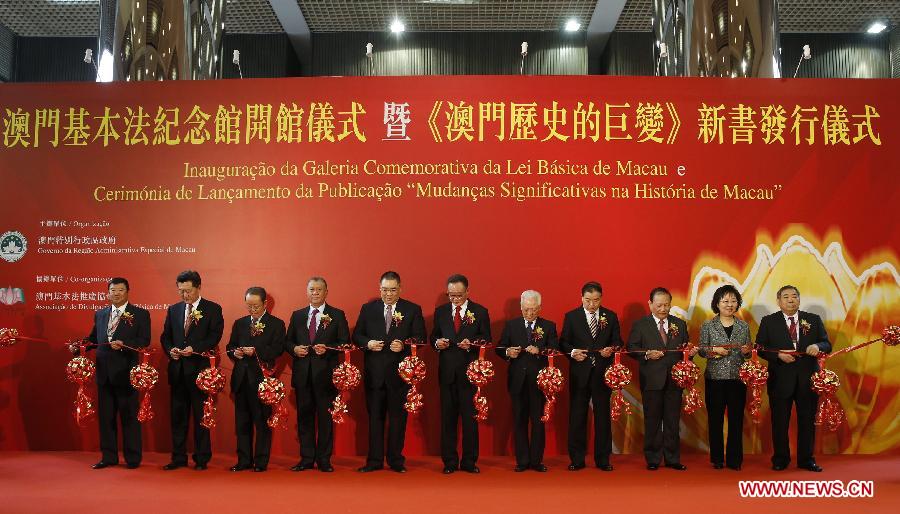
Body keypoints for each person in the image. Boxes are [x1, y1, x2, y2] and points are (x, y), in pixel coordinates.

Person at [70, 277, 150, 469]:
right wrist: (78, 347)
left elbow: (145, 340)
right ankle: (108, 457)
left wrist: (125, 345)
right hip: (104, 374)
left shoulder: (140, 313)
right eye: (112, 290)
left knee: (129, 417)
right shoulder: (101, 314)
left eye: (120, 290)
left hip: (126, 374)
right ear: (108, 292)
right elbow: (93, 339)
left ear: (127, 292)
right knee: (106, 418)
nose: (116, 293)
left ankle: (132, 459)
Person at [353, 271, 426, 473]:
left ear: (400, 289)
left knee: (398, 419)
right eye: (385, 289)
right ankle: (374, 461)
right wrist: (368, 343)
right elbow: (356, 335)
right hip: (374, 375)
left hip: (400, 376)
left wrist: (403, 344)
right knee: (374, 419)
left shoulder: (412, 309)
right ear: (379, 288)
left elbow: (421, 337)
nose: (389, 294)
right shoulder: (368, 309)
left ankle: (396, 460)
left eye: (393, 290)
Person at [757, 285, 831, 472]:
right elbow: (760, 348)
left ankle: (807, 459)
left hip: (808, 379)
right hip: (780, 378)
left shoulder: (813, 320)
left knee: (807, 421)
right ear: (779, 301)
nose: (791, 300)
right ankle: (780, 459)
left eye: (794, 296)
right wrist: (778, 356)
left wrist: (818, 345)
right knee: (779, 422)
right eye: (786, 297)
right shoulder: (768, 321)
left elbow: (827, 344)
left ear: (799, 299)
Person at [160, 270, 224, 471]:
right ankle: (178, 458)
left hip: (199, 373)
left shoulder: (213, 309)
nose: (184, 295)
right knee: (178, 417)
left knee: (200, 416)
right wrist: (171, 351)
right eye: (181, 291)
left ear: (198, 287)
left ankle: (202, 458)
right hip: (177, 371)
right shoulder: (174, 310)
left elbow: (215, 336)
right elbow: (165, 337)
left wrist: (194, 349)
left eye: (188, 291)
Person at [285, 276, 350, 472]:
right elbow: (288, 342)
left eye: (319, 290)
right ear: (307, 292)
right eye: (312, 289)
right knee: (304, 418)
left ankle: (324, 460)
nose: (315, 293)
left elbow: (345, 343)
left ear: (326, 292)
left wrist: (328, 348)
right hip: (303, 375)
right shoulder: (297, 315)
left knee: (325, 419)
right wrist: (295, 349)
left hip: (326, 377)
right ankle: (306, 459)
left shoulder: (337, 315)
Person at [627, 287, 696, 471]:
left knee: (673, 421)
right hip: (651, 379)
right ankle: (653, 459)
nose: (663, 309)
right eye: (659, 305)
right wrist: (647, 354)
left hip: (675, 379)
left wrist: (691, 353)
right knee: (653, 420)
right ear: (650, 304)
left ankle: (673, 458)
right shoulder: (641, 325)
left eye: (666, 305)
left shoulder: (679, 324)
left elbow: (684, 351)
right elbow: (631, 348)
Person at [431, 274, 491, 474]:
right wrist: (437, 344)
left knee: (469, 420)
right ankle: (449, 461)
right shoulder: (440, 312)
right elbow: (433, 337)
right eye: (451, 295)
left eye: (458, 295)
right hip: (447, 373)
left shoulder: (480, 312)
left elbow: (487, 339)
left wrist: (472, 344)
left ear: (467, 292)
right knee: (447, 420)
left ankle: (469, 461)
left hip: (470, 374)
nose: (455, 299)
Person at [560, 281, 621, 472]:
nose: (592, 305)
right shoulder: (572, 317)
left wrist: (611, 350)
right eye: (588, 300)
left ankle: (603, 459)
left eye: (596, 300)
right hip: (580, 373)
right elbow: (563, 342)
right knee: (577, 417)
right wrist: (572, 352)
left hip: (602, 373)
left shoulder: (610, 316)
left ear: (601, 298)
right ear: (581, 298)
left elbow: (618, 341)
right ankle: (577, 458)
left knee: (603, 418)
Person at [496, 290, 558, 472]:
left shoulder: (548, 326)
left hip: (540, 381)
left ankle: (537, 461)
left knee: (538, 421)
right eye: (526, 310)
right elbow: (499, 347)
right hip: (517, 380)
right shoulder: (511, 325)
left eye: (533, 310)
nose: (530, 314)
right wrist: (508, 352)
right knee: (519, 420)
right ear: (521, 308)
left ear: (540, 308)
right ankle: (522, 461)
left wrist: (540, 350)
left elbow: (555, 348)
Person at [225, 287, 285, 472]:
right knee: (241, 423)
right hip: (241, 379)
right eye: (249, 305)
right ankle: (243, 460)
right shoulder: (240, 323)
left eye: (256, 306)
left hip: (262, 381)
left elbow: (278, 349)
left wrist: (256, 351)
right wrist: (235, 353)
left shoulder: (276, 324)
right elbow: (230, 346)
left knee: (262, 423)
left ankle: (260, 462)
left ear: (265, 304)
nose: (252, 309)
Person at [698, 284, 751, 470]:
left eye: (733, 301)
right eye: (725, 301)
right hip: (715, 379)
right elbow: (702, 350)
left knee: (736, 420)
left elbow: (748, 352)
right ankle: (717, 459)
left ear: (738, 304)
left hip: (738, 379)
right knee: (715, 419)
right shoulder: (708, 325)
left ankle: (735, 460)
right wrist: (714, 350)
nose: (730, 304)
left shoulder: (744, 326)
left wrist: (746, 351)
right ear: (717, 304)